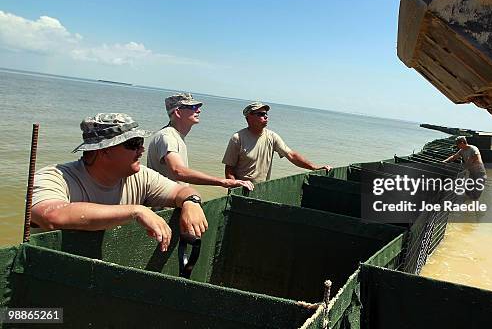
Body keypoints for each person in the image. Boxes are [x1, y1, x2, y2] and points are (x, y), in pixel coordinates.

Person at [32, 113, 208, 252]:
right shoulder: (55, 177)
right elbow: (51, 216)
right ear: (104, 151)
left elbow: (180, 192)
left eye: (141, 142)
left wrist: (191, 202)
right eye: (133, 143)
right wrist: (136, 211)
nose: (142, 149)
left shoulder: (141, 176)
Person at [147, 93, 253, 191]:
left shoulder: (175, 136)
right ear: (178, 112)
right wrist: (223, 181)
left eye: (197, 107)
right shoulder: (167, 136)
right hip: (164, 208)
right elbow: (178, 171)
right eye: (192, 107)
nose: (198, 110)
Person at [222, 102, 331, 183]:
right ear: (249, 117)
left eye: (266, 114)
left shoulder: (272, 136)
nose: (265, 116)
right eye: (260, 114)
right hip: (242, 189)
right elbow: (229, 170)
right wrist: (236, 186)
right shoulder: (238, 138)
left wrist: (315, 168)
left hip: (262, 188)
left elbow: (291, 155)